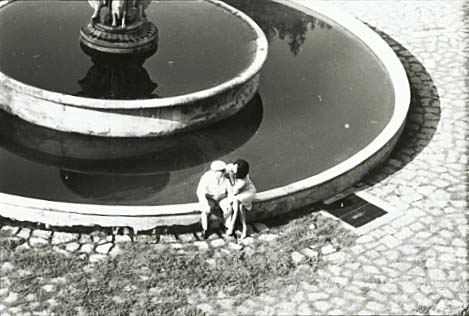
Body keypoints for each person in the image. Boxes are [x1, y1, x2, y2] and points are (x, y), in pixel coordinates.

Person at [220, 159, 256, 239]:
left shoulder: (242, 181)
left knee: (235, 200)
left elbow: (234, 192)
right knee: (240, 207)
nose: (233, 171)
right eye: (234, 167)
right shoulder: (230, 168)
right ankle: (244, 228)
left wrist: (229, 202)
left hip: (248, 192)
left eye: (235, 171)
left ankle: (232, 225)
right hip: (238, 195)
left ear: (240, 172)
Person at [196, 160, 229, 239]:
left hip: (222, 196)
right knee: (205, 211)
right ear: (215, 172)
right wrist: (206, 204)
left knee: (227, 209)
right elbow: (200, 192)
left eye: (224, 170)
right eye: (222, 171)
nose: (224, 172)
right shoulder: (206, 178)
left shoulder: (226, 176)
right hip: (209, 197)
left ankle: (226, 226)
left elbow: (230, 191)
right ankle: (205, 230)